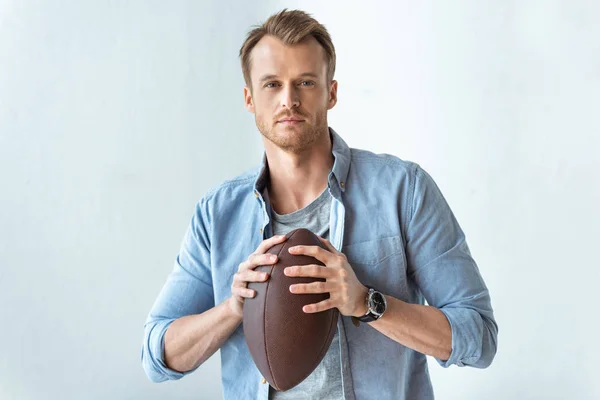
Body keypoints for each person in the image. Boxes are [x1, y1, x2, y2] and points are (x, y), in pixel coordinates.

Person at [141, 9, 498, 400]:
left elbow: (478, 337)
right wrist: (232, 309)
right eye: (272, 84)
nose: (288, 100)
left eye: (305, 82)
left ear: (331, 91)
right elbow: (157, 355)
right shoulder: (217, 214)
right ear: (249, 99)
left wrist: (367, 303)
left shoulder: (403, 191)